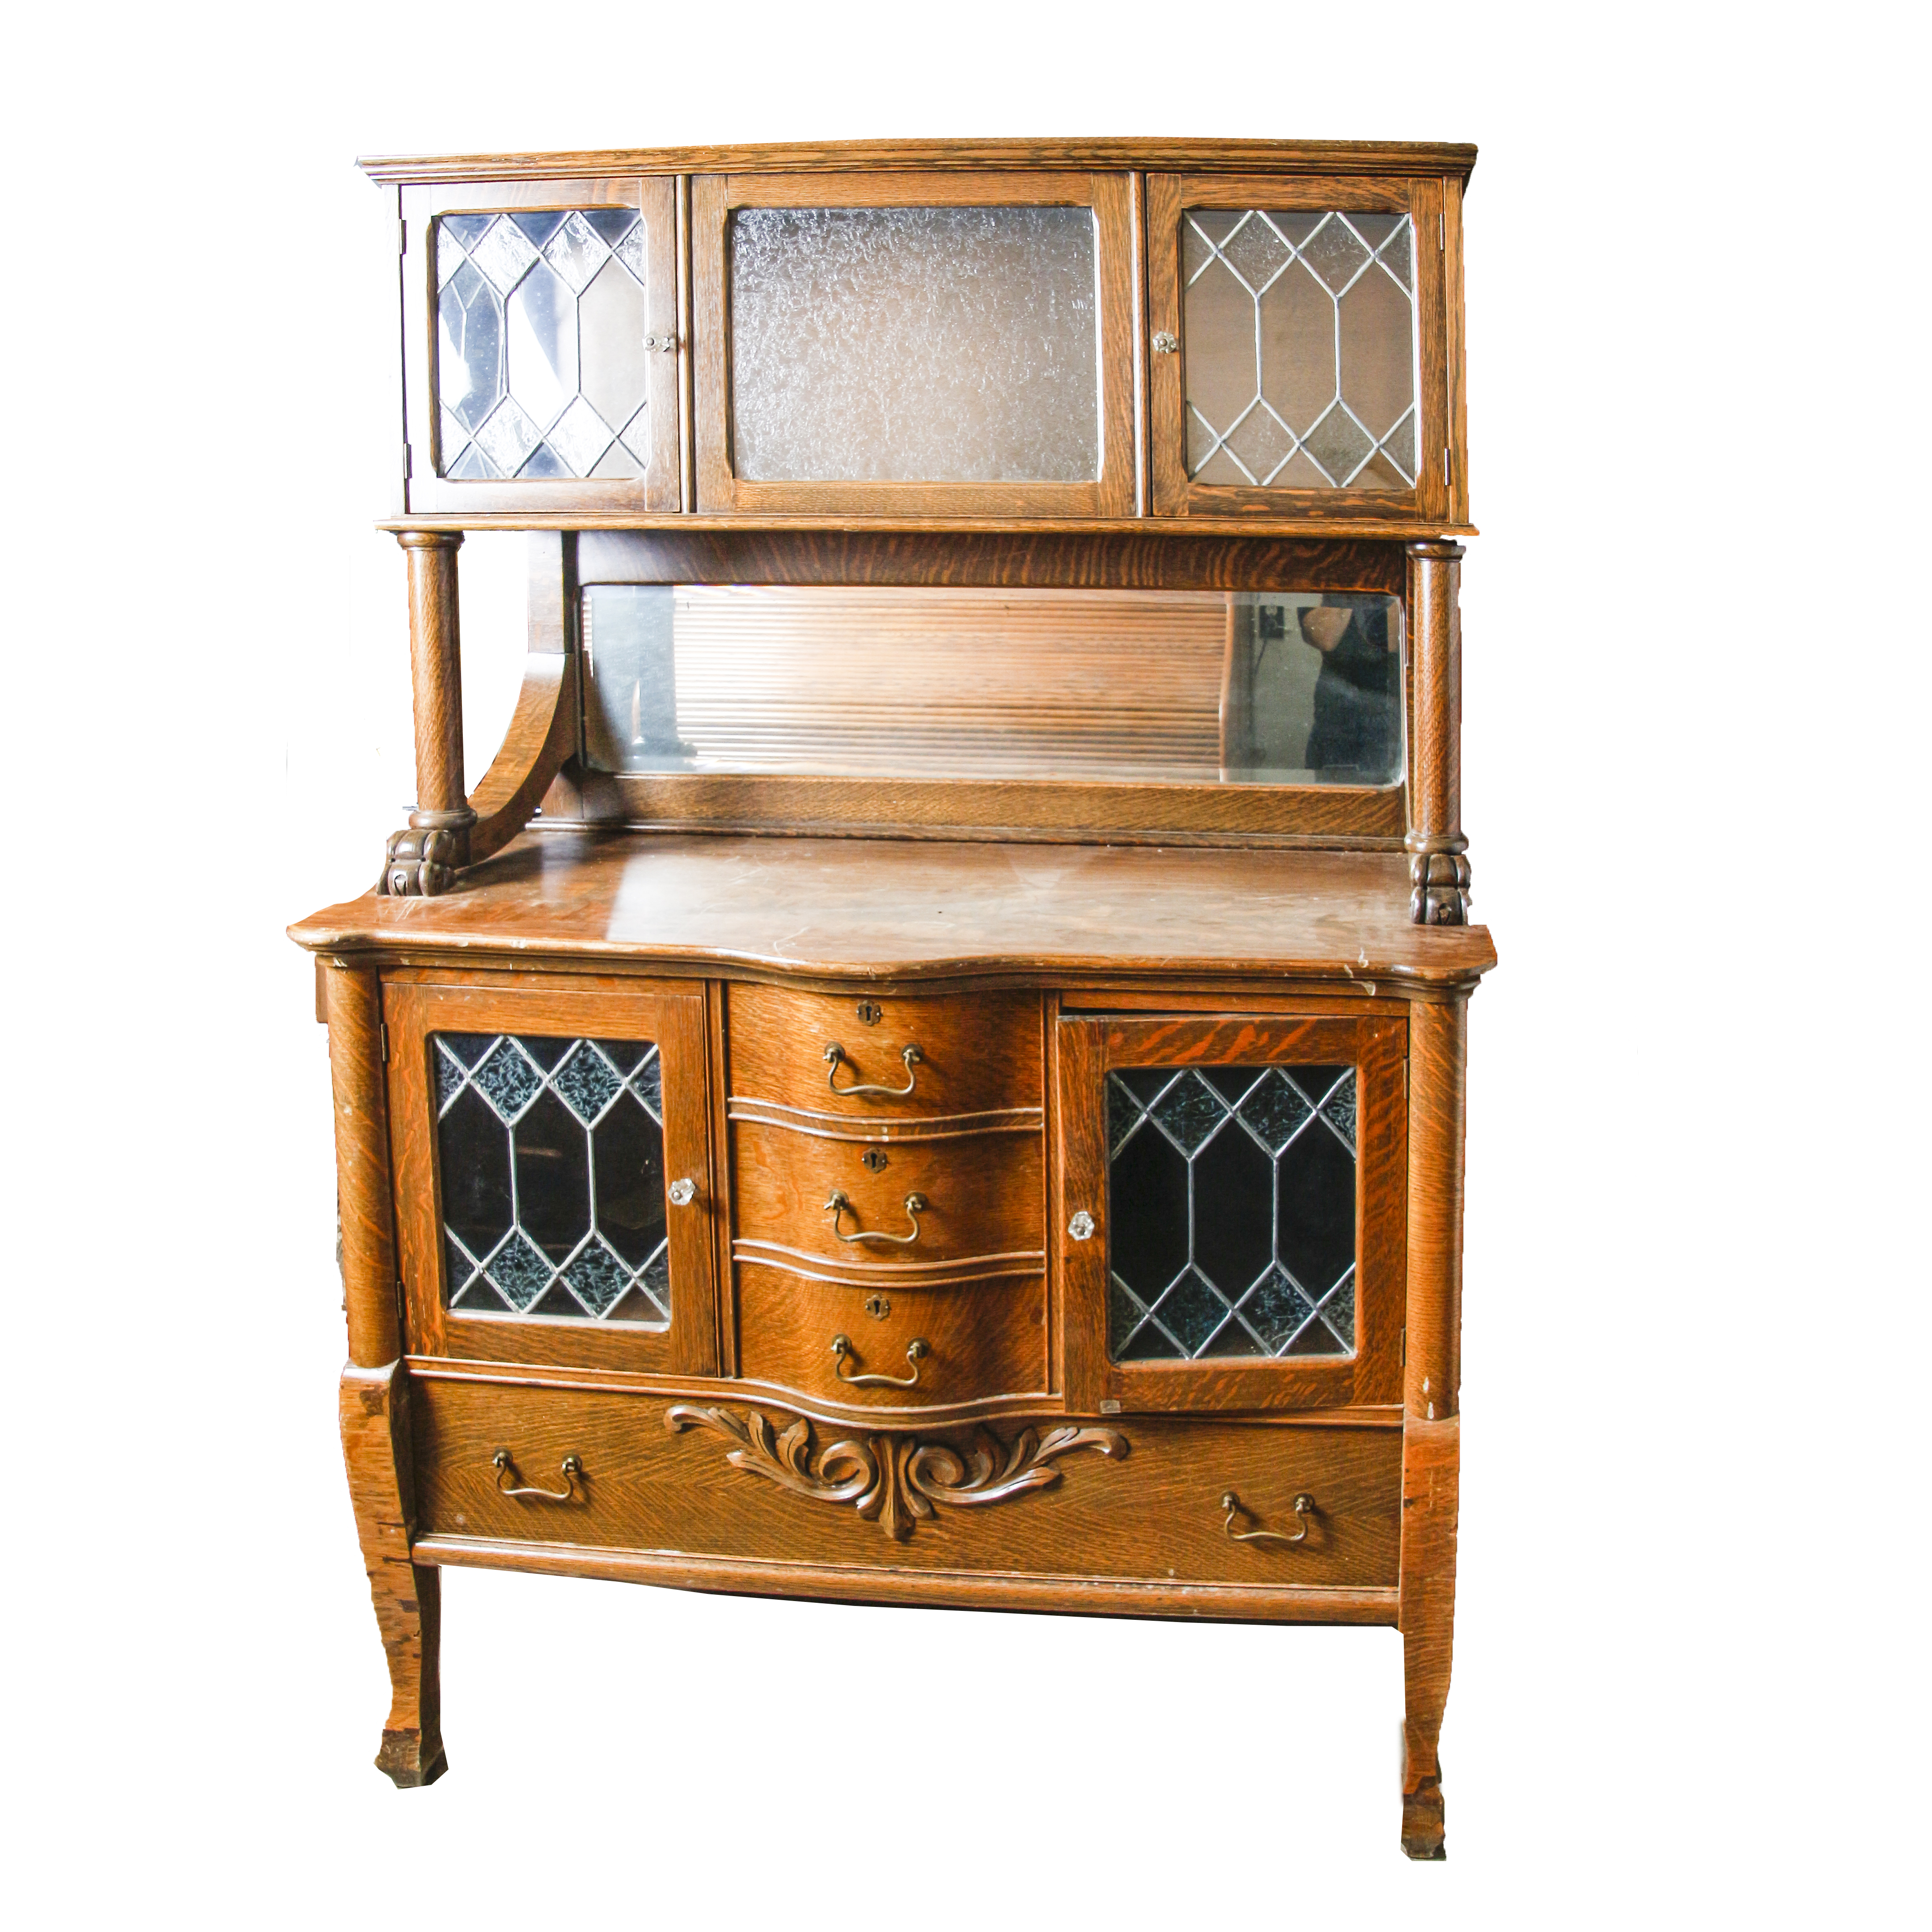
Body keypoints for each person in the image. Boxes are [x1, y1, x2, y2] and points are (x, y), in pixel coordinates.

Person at [1298, 595, 1400, 780]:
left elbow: (1398, 638)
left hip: (1385, 716)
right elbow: (1326, 637)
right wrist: (1350, 584)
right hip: (1334, 719)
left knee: (1385, 799)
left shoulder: (1390, 579)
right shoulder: (1322, 578)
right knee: (1331, 801)